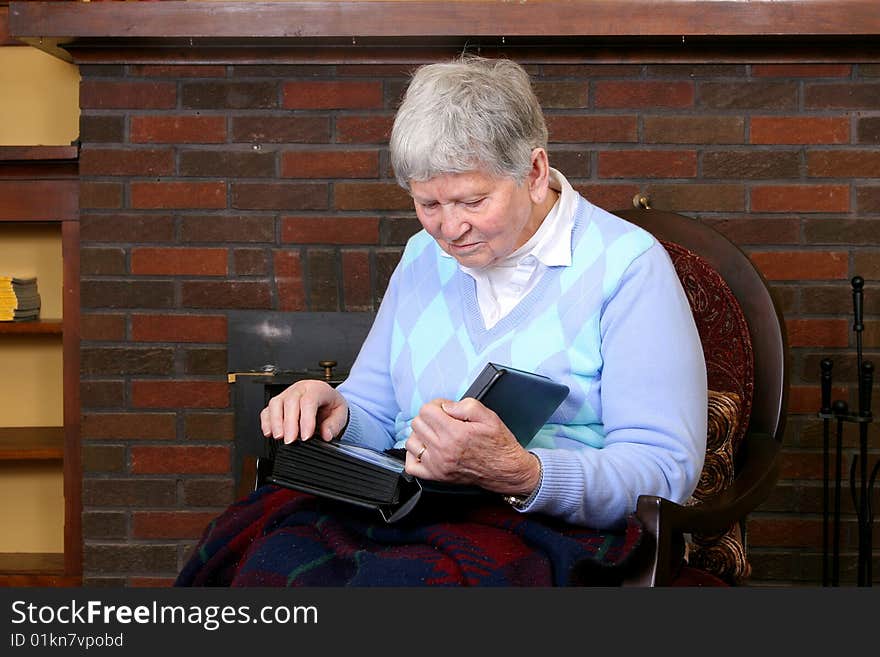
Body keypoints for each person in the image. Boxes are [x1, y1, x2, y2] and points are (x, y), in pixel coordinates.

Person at [259, 55, 708, 532]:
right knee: (255, 543)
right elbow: (376, 412)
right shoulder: (420, 256)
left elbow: (664, 472)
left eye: (473, 201)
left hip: (548, 527)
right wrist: (338, 412)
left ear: (534, 173)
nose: (449, 230)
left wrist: (522, 473)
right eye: (428, 203)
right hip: (410, 511)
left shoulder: (628, 266)